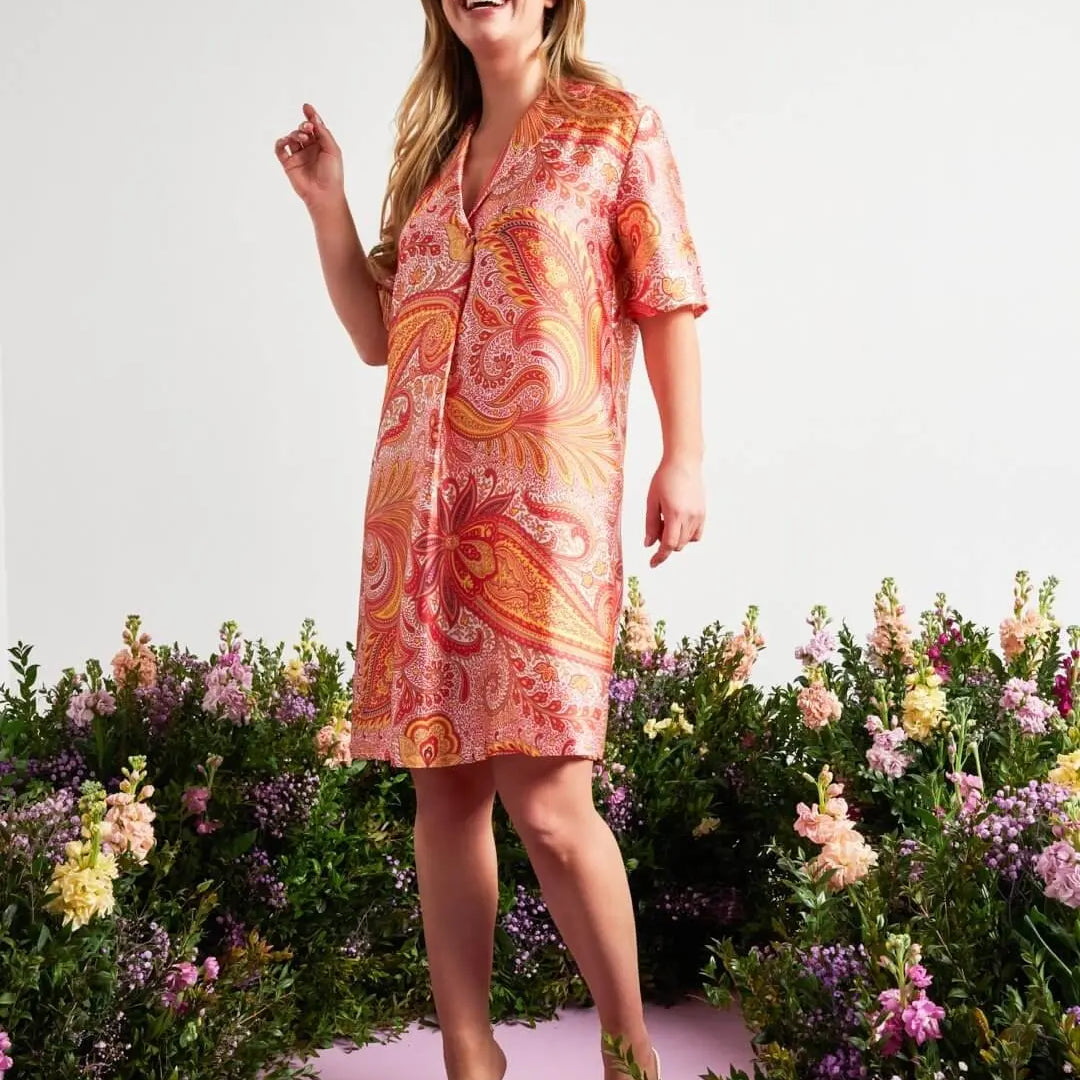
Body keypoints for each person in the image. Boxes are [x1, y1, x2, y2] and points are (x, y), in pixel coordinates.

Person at [275, 2, 707, 1077]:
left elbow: (667, 297)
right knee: (446, 789)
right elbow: (379, 335)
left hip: (545, 511)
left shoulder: (614, 127)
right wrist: (329, 206)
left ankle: (629, 1052)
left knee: (550, 803)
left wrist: (684, 456)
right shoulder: (434, 151)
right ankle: (471, 1055)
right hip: (417, 513)